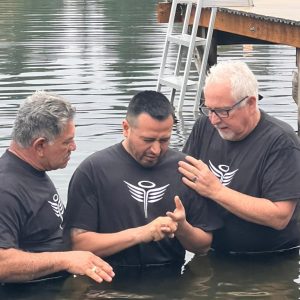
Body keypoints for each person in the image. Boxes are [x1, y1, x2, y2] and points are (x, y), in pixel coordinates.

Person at [64, 90, 222, 268]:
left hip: (171, 282)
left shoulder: (185, 169)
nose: (155, 149)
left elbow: (204, 246)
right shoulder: (93, 170)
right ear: (126, 128)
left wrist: (183, 228)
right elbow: (77, 245)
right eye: (147, 140)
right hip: (109, 283)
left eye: (164, 140)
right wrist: (141, 234)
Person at [179, 60, 300, 254]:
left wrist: (216, 190)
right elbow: (181, 179)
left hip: (271, 261)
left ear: (251, 103)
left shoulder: (281, 142)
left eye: (223, 111)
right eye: (209, 109)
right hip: (212, 251)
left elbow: (279, 216)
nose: (214, 120)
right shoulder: (204, 127)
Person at [0, 91, 114, 283]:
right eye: (67, 142)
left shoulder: (32, 171)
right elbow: (2, 264)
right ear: (40, 146)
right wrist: (66, 259)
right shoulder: (6, 189)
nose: (74, 147)